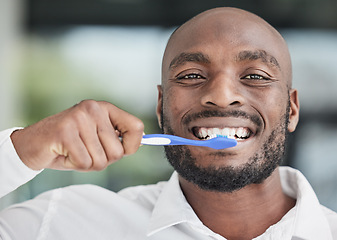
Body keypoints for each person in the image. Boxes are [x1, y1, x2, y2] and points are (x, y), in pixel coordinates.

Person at [0, 7, 336, 240]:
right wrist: (21, 151)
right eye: (191, 75)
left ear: (292, 110)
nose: (221, 95)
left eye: (254, 76)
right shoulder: (63, 223)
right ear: (161, 107)